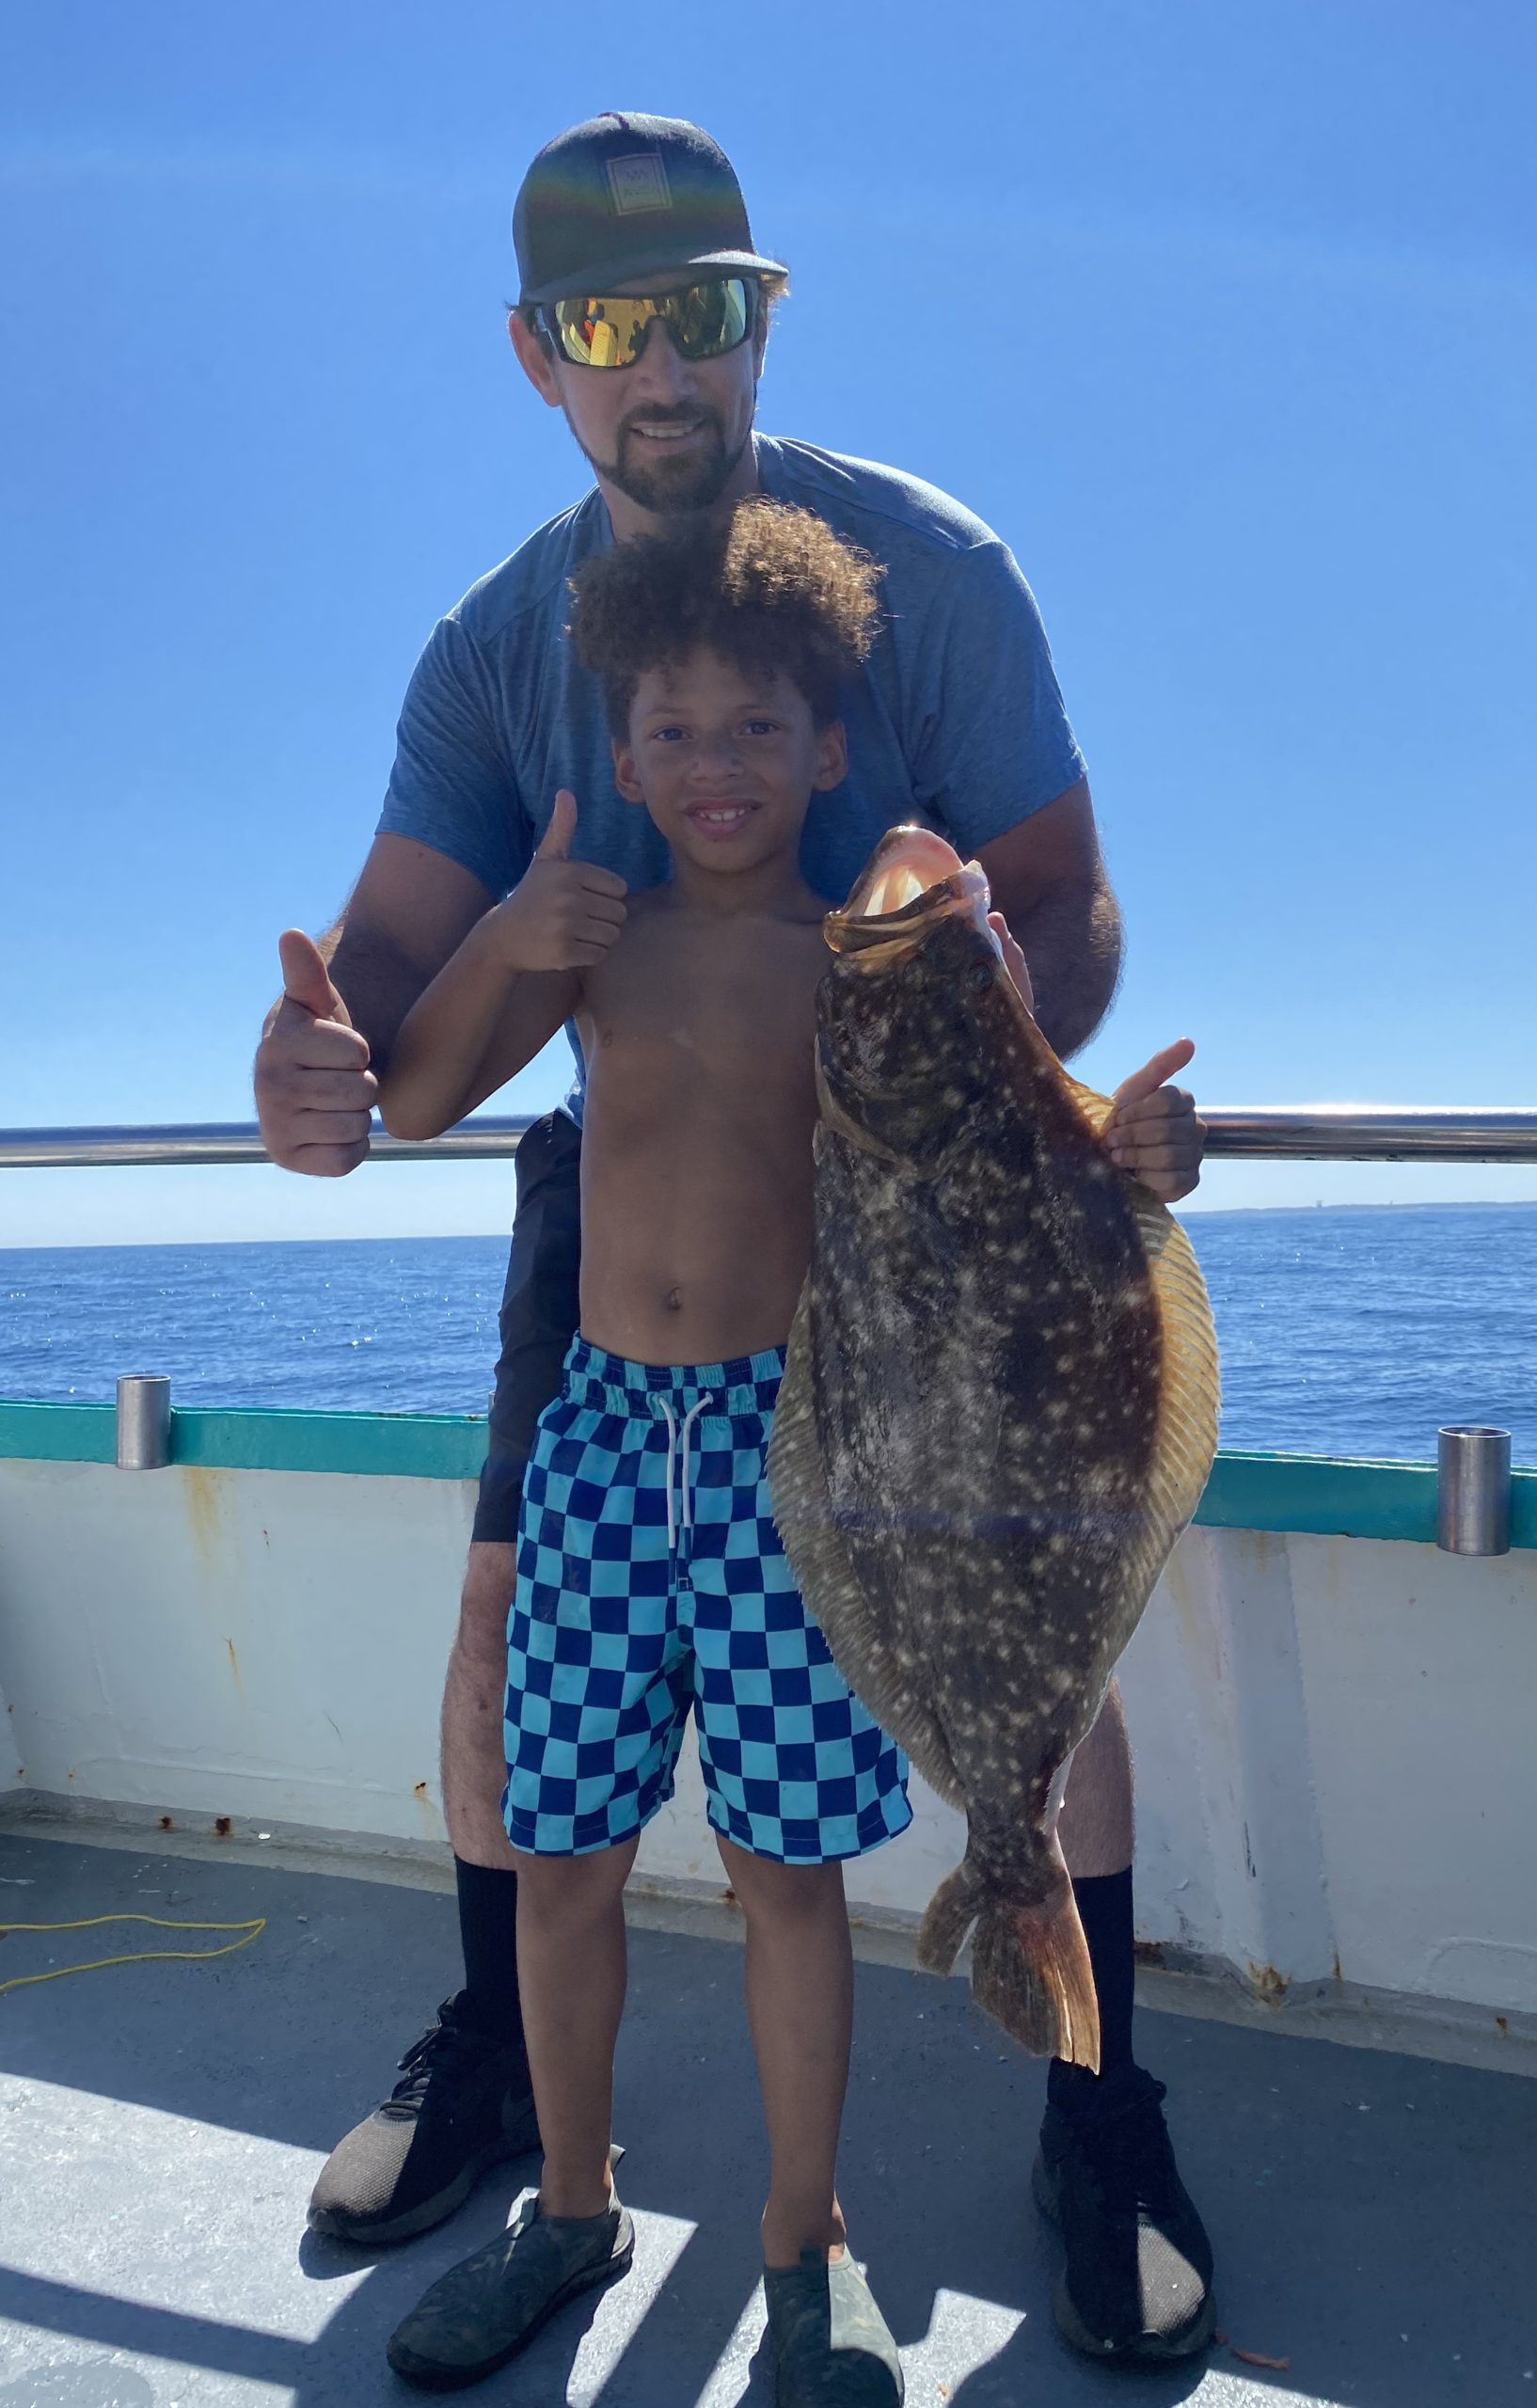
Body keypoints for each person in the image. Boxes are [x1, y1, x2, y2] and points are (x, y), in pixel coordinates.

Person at [256, 112, 1212, 2365]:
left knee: (1025, 1611)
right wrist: (316, 1060)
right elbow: (389, 976)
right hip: (615, 1218)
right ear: (538, 355)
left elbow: (1064, 897)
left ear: (759, 324)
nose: (659, 365)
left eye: (699, 311)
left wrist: (1020, 1088)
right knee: (505, 1660)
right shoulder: (496, 643)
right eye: (607, 324)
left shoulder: (928, 571)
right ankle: (517, 2085)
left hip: (930, 1177)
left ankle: (1094, 2108)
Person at [375, 499, 927, 2399]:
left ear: (826, 749)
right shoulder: (589, 939)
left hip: (791, 1448)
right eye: (674, 728)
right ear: (621, 757)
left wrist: (1134, 1146)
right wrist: (504, 936)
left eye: (757, 724)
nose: (716, 761)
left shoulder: (859, 959)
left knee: (787, 1874)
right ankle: (572, 2205)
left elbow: (999, 1122)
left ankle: (804, 2237)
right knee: (562, 1857)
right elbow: (420, 1097)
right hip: (603, 1437)